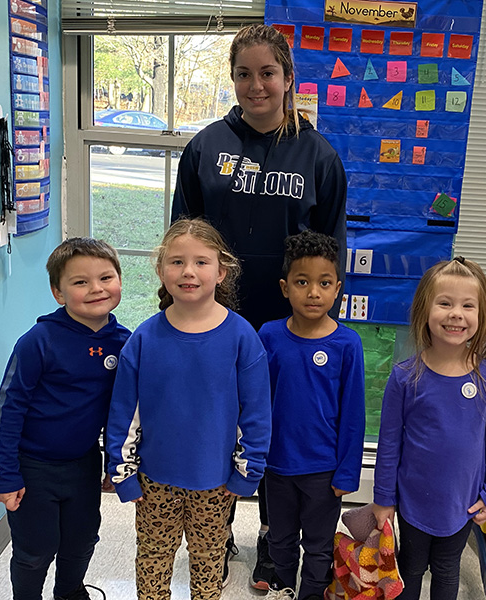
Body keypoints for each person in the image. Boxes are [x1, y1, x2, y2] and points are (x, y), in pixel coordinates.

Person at [170, 23, 348, 589]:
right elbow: (183, 234)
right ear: (233, 78)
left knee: (276, 432)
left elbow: (329, 251)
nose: (256, 85)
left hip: (286, 324)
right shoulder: (205, 148)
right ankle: (212, 538)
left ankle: (276, 547)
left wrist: (318, 314)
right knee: (216, 428)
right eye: (244, 74)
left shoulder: (318, 156)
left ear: (289, 78)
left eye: (267, 73)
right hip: (212, 317)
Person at [104, 217, 271, 600]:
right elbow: (124, 416)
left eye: (200, 261)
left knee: (209, 566)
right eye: (177, 261)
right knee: (153, 563)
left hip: (216, 483)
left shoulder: (243, 337)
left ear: (221, 271)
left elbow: (256, 414)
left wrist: (246, 475)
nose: (188, 271)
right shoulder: (144, 338)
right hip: (153, 483)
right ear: (161, 270)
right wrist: (124, 474)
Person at [0, 238, 130, 600]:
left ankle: (69, 592)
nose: (96, 288)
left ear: (119, 280)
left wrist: (117, 464)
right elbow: (8, 409)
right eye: (80, 282)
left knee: (82, 540)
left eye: (105, 277)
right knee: (35, 550)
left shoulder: (125, 343)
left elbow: (124, 412)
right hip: (33, 467)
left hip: (83, 464)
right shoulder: (39, 341)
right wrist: (5, 474)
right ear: (58, 292)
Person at [372, 257, 486, 600]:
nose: (456, 314)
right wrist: (383, 499)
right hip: (413, 502)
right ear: (425, 310)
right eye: (445, 303)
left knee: (447, 570)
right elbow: (389, 442)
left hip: (462, 503)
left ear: (481, 315)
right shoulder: (405, 376)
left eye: (467, 305)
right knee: (410, 568)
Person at [258, 231, 365, 600]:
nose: (313, 292)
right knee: (280, 539)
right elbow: (256, 403)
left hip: (324, 471)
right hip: (277, 466)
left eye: (324, 283)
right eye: (302, 282)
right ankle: (283, 588)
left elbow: (353, 413)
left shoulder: (347, 343)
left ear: (337, 289)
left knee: (318, 545)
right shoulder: (269, 336)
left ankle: (311, 594)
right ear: (285, 287)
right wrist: (253, 456)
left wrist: (348, 470)